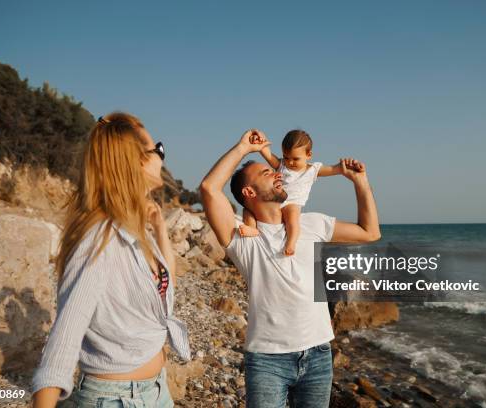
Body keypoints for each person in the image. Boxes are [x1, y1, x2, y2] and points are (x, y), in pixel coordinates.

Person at [199, 129, 380, 408]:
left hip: (319, 354)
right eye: (266, 173)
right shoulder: (244, 237)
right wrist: (242, 148)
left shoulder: (312, 223)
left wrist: (360, 182)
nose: (277, 172)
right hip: (267, 360)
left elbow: (370, 233)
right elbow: (210, 189)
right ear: (249, 192)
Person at [31, 112, 190, 408]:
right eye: (158, 150)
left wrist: (161, 229)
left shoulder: (134, 229)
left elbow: (167, 288)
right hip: (116, 399)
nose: (162, 157)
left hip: (157, 391)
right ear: (136, 162)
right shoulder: (100, 239)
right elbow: (64, 337)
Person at [239, 129, 343, 256]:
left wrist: (344, 167)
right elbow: (267, 153)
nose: (290, 162)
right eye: (286, 157)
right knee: (248, 209)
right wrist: (261, 142)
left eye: (295, 158)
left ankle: (291, 243)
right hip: (276, 200)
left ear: (309, 155)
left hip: (293, 202)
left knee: (292, 221)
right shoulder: (282, 165)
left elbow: (333, 169)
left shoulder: (313, 170)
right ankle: (252, 228)